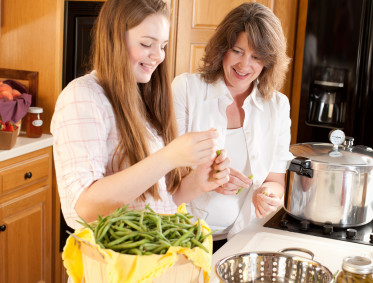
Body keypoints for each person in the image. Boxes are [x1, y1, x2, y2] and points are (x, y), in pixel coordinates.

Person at [51, 0, 230, 230]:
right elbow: (83, 209)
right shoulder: (82, 96)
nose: (158, 56)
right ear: (114, 39)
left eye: (163, 46)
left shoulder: (143, 97)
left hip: (154, 257)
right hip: (115, 263)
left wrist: (197, 182)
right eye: (147, 43)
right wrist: (169, 157)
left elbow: (154, 204)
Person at [172, 2, 294, 251]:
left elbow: (275, 180)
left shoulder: (278, 106)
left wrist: (268, 195)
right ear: (222, 48)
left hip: (245, 241)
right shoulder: (186, 90)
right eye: (237, 51)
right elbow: (166, 176)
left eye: (257, 56)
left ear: (268, 62)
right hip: (183, 239)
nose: (244, 65)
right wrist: (207, 178)